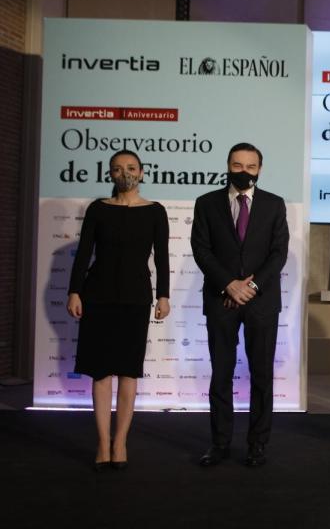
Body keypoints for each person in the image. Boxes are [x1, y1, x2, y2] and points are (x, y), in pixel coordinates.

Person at [67, 150, 170, 471]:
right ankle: (102, 442)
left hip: (136, 298)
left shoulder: (155, 211)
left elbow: (163, 257)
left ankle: (120, 441)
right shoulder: (99, 209)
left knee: (128, 372)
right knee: (100, 373)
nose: (124, 172)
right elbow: (83, 254)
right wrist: (74, 291)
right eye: (117, 168)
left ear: (141, 172)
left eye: (130, 167)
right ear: (110, 175)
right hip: (98, 297)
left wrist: (163, 296)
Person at [191, 142, 289, 468]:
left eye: (250, 166)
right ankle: (219, 444)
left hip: (261, 302)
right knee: (221, 373)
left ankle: (257, 445)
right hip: (221, 299)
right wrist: (229, 285)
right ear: (228, 165)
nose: (243, 171)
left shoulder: (275, 205)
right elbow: (201, 249)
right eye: (237, 164)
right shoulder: (206, 203)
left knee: (261, 375)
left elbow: (278, 253)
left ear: (259, 169)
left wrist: (253, 285)